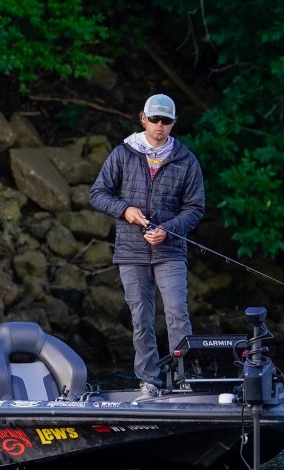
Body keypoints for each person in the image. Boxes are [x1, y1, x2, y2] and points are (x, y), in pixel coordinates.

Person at [89, 94, 205, 399]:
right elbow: (97, 193)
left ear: (173, 123)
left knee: (177, 313)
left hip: (171, 251)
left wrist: (168, 230)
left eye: (166, 120)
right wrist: (125, 210)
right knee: (141, 319)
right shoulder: (122, 153)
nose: (159, 125)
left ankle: (185, 379)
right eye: (154, 119)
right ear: (143, 118)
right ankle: (149, 381)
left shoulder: (186, 159)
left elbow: (195, 208)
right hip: (130, 252)